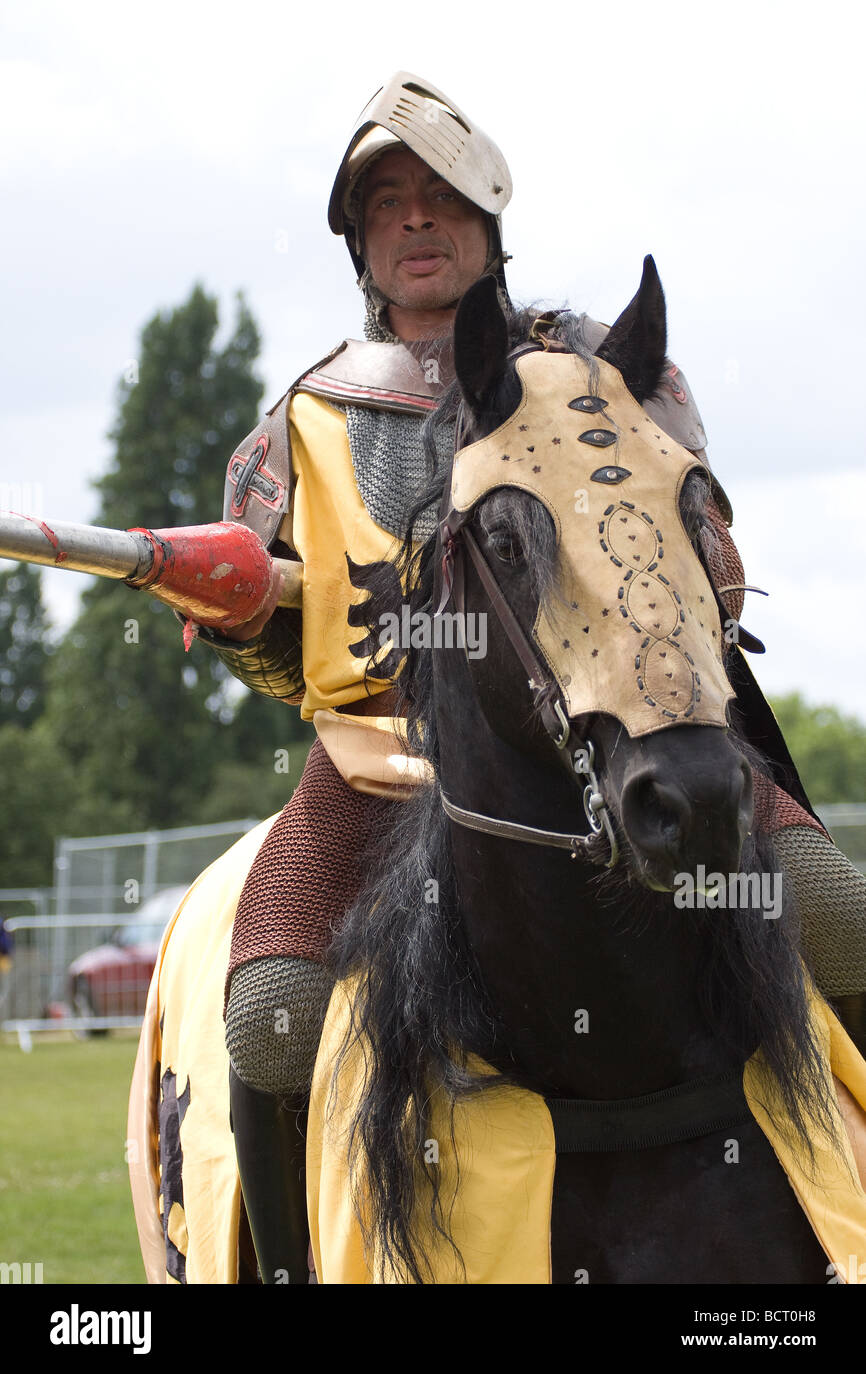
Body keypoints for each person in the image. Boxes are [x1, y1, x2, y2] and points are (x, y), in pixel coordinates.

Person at [133, 73, 866, 1284]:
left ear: (486, 222)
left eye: (440, 199)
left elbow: (706, 573)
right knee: (268, 1020)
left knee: (835, 914)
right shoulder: (300, 423)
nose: (415, 222)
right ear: (360, 241)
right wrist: (247, 612)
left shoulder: (606, 375)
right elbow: (284, 671)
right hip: (376, 769)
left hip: (625, 727)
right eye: (387, 206)